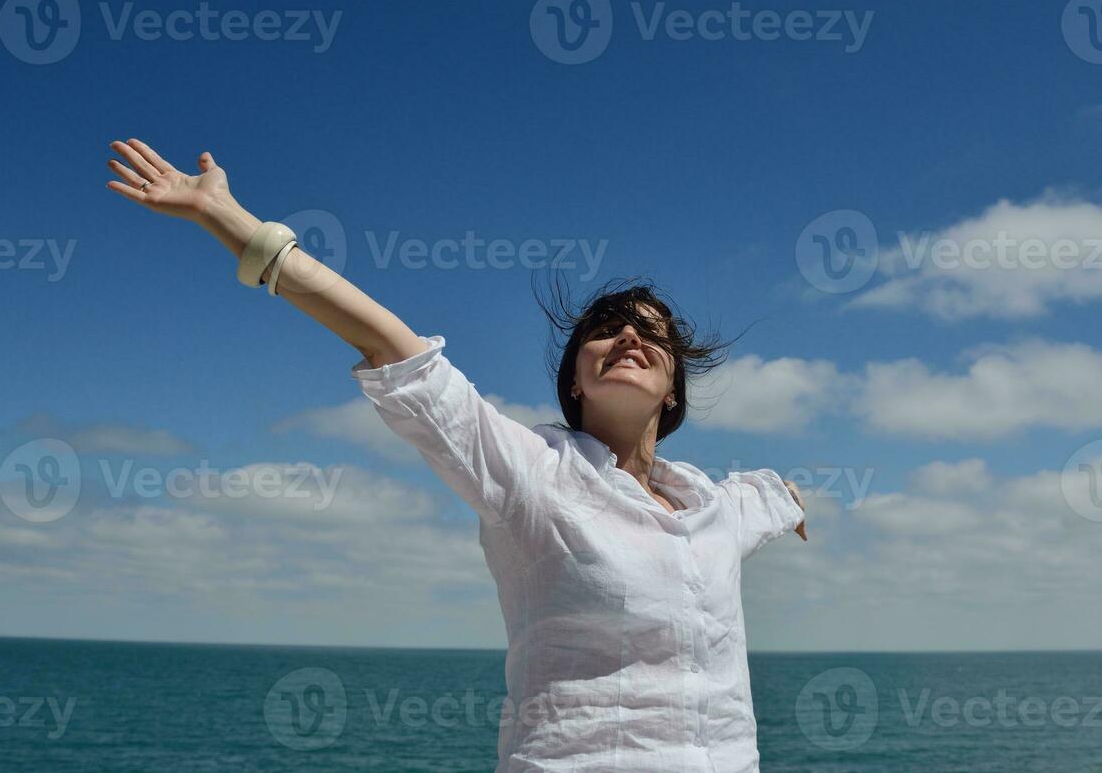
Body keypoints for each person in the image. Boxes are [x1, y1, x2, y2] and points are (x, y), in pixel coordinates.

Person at [105, 138, 809, 773]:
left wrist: (789, 501)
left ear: (673, 388)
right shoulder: (530, 469)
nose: (626, 336)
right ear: (573, 377)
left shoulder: (714, 507)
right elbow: (389, 346)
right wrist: (230, 221)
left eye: (648, 334)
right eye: (604, 329)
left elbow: (767, 496)